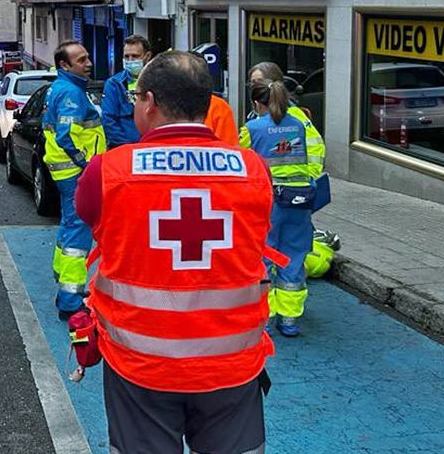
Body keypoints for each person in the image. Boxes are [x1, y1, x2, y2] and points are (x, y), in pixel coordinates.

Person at [76, 51, 282, 454]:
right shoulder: (253, 169)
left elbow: (91, 219)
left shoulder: (107, 171)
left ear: (149, 102)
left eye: (136, 97)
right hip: (232, 365)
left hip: (141, 367)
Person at [240, 62, 325, 337]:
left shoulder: (252, 128)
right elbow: (311, 155)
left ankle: (264, 317)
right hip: (300, 199)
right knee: (293, 258)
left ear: (257, 101)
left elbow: (238, 164)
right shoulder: (300, 124)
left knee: (262, 258)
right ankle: (289, 320)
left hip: (267, 202)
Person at [45, 40, 107, 318]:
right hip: (75, 172)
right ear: (65, 65)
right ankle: (70, 300)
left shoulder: (63, 87)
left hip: (64, 171)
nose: (88, 63)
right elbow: (66, 135)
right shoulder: (71, 93)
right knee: (77, 234)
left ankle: (63, 279)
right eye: (81, 60)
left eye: (87, 57)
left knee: (69, 225)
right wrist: (87, 165)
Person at [101, 36, 158, 149]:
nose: (130, 60)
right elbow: (109, 121)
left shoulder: (159, 81)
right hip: (124, 148)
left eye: (135, 56)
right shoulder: (114, 84)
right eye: (126, 56)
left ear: (147, 56)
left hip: (154, 147)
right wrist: (128, 147)